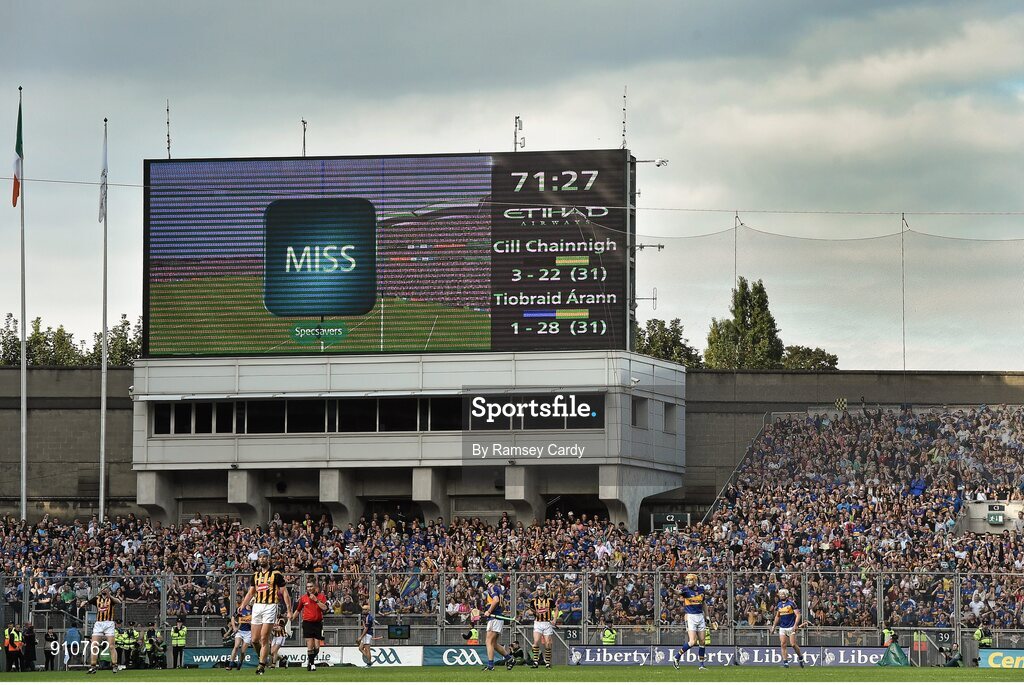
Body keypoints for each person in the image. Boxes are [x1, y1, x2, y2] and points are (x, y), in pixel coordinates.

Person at [237, 548, 290, 675]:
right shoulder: (255, 575)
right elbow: (251, 592)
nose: (262, 559)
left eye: (264, 557)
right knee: (254, 640)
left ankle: (261, 665)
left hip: (270, 606)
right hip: (257, 606)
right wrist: (242, 605)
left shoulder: (276, 574)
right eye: (260, 557)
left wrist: (289, 609)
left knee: (264, 637)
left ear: (269, 559)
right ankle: (264, 657)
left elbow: (284, 592)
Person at [671, 573, 708, 670]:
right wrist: (672, 590)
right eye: (687, 580)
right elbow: (677, 592)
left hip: (700, 616)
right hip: (691, 617)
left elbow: (704, 604)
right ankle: (676, 657)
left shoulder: (701, 590)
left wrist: (707, 617)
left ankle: (701, 665)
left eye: (690, 580)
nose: (688, 582)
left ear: (695, 580)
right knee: (692, 642)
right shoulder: (685, 590)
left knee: (702, 641)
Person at [291, 579, 327, 672]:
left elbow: (324, 608)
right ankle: (312, 664)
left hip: (318, 623)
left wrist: (316, 600)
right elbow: (298, 610)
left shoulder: (321, 597)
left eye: (311, 586)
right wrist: (291, 618)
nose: (309, 588)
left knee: (317, 648)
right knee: (310, 646)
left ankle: (310, 661)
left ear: (315, 587)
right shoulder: (303, 598)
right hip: (307, 623)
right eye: (308, 587)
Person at [480, 573, 512, 671]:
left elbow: (496, 600)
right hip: (498, 617)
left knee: (488, 642)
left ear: (488, 580)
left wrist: (489, 611)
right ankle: (509, 659)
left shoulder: (492, 588)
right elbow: (503, 605)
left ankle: (490, 665)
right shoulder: (499, 589)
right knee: (493, 643)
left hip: (494, 618)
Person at [88, 585, 121, 674]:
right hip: (99, 623)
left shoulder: (111, 599)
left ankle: (114, 665)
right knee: (94, 645)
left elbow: (118, 601)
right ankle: (93, 666)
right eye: (102, 588)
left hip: (109, 623)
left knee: (111, 646)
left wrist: (109, 595)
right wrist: (84, 602)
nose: (104, 590)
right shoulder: (97, 599)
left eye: (105, 588)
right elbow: (88, 602)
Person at [771, 589, 805, 668]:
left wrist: (795, 625)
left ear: (786, 595)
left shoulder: (791, 603)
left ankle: (800, 657)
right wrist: (773, 627)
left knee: (793, 644)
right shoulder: (779, 604)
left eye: (783, 594)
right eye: (780, 594)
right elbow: (777, 616)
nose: (781, 595)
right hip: (782, 627)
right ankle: (785, 663)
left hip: (791, 626)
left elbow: (798, 615)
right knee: (783, 644)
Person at [528, 586, 557, 668]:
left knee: (548, 643)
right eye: (539, 590)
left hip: (547, 623)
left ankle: (547, 662)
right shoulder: (534, 600)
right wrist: (534, 612)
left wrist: (554, 619)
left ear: (544, 591)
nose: (540, 591)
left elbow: (556, 609)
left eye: (542, 590)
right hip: (537, 623)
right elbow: (530, 611)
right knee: (536, 641)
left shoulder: (550, 600)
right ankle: (535, 661)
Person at [226, 606, 253, 670]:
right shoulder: (241, 609)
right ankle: (231, 664)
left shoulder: (253, 611)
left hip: (248, 632)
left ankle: (240, 662)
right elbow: (233, 617)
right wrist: (234, 627)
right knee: (236, 646)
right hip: (240, 631)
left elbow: (255, 623)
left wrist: (250, 623)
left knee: (243, 651)